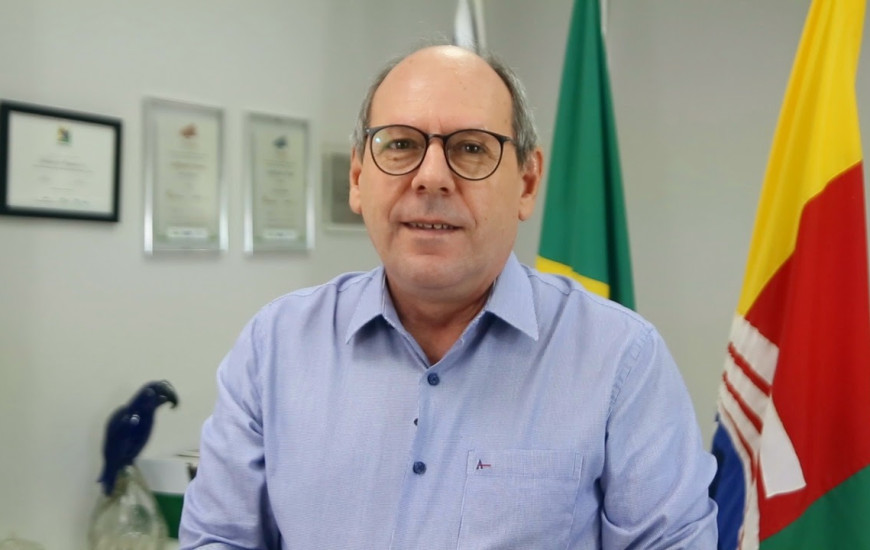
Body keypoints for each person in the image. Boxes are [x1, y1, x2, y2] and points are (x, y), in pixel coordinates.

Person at [179, 44, 718, 549]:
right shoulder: (274, 347)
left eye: (471, 148)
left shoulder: (621, 360)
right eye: (401, 145)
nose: (431, 177)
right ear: (359, 178)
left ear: (528, 183)